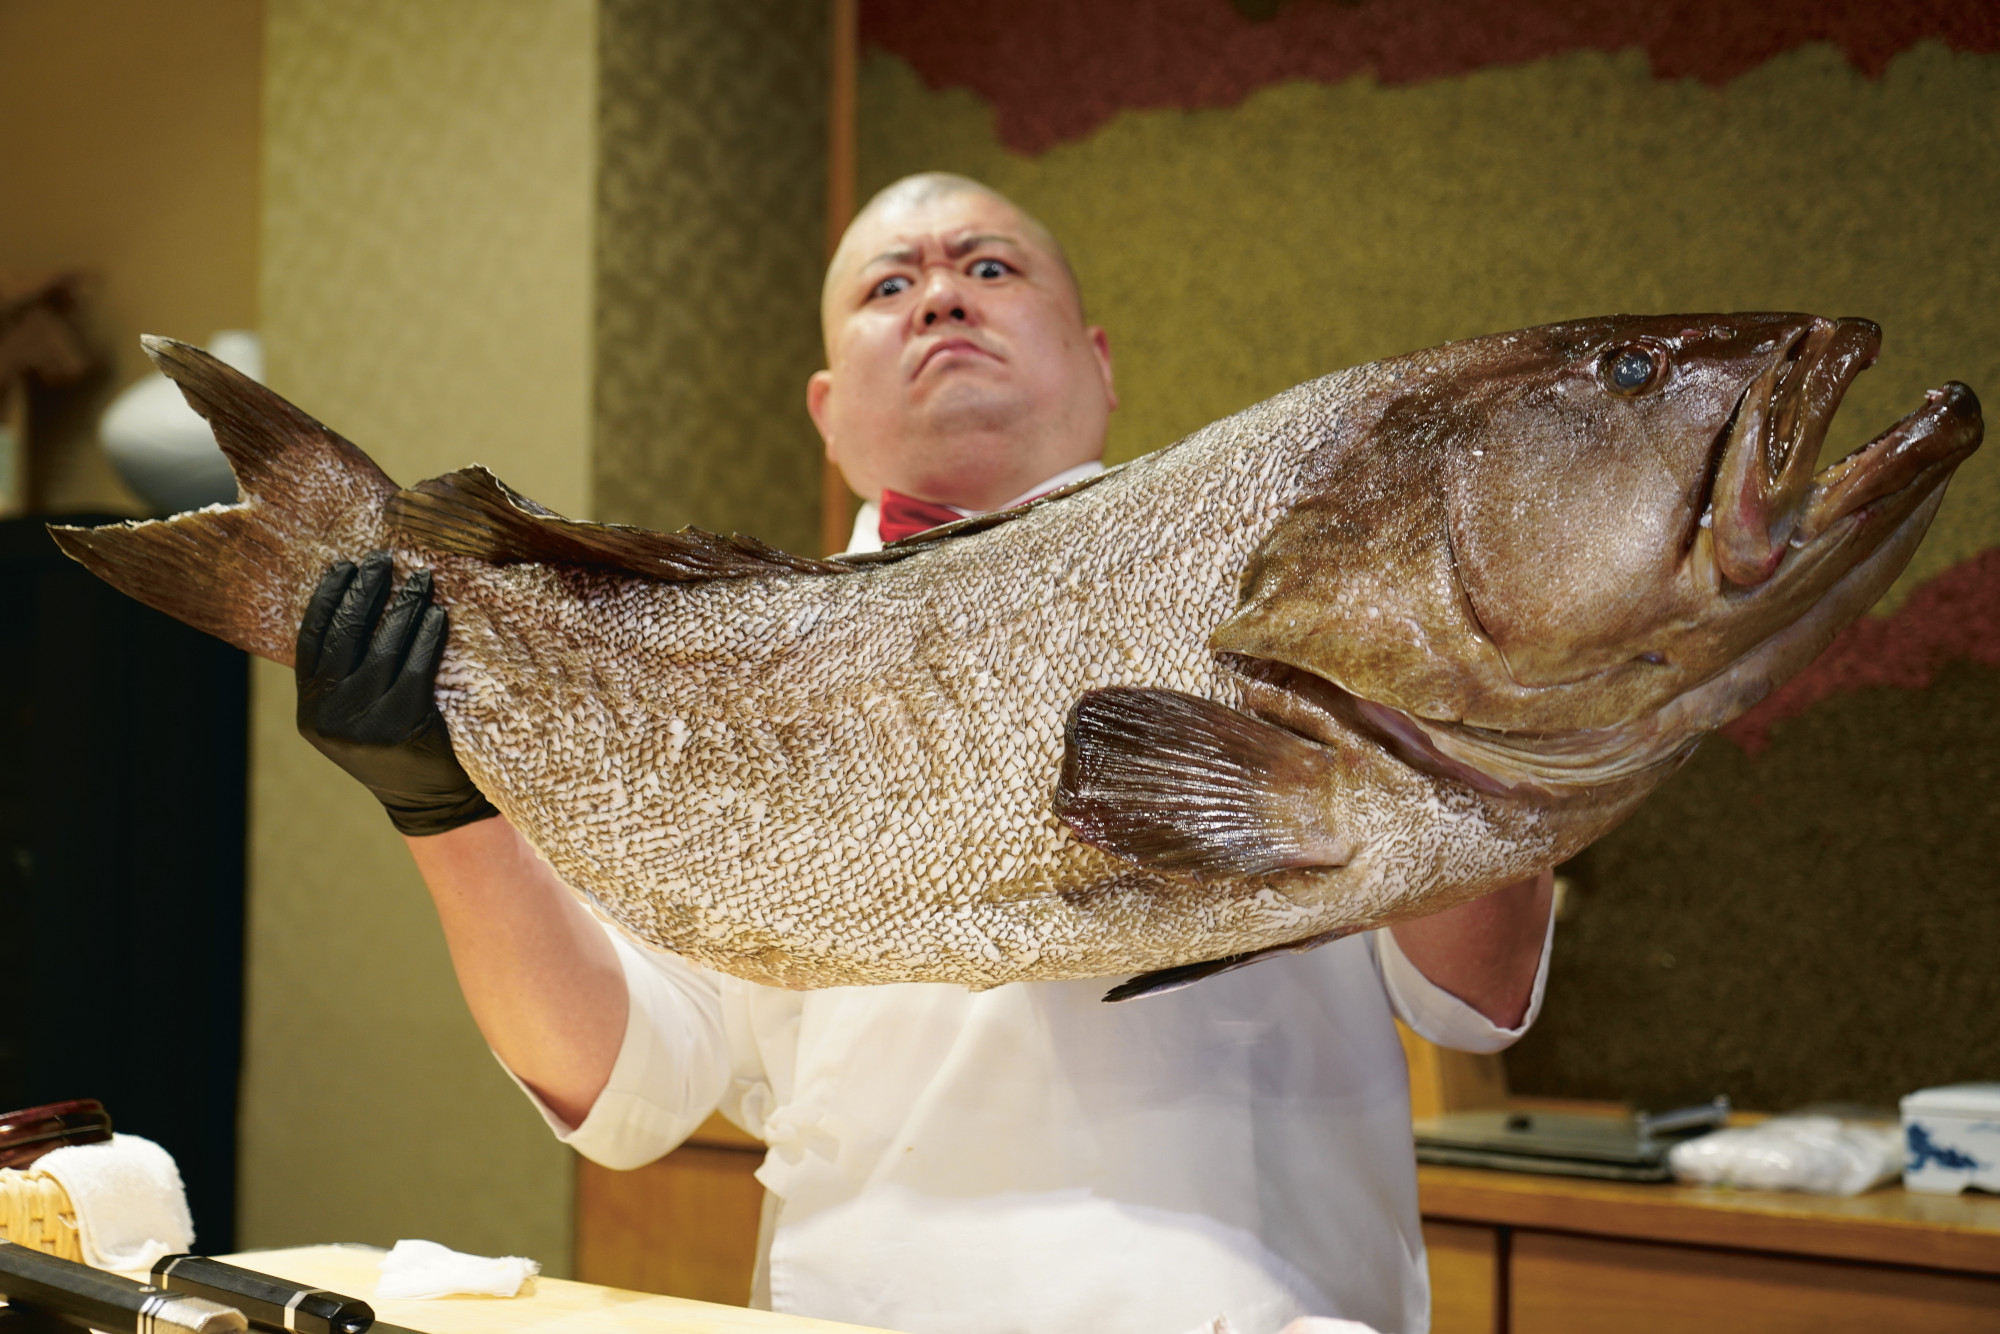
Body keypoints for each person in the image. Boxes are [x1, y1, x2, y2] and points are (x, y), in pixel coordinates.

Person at [296, 173, 1554, 1334]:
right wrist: (443, 808)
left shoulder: (1294, 575)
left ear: (1098, 361)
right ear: (827, 413)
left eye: (990, 267)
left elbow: (1467, 1000)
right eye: (887, 285)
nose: (942, 292)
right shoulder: (720, 687)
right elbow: (629, 1083)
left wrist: (1511, 680)